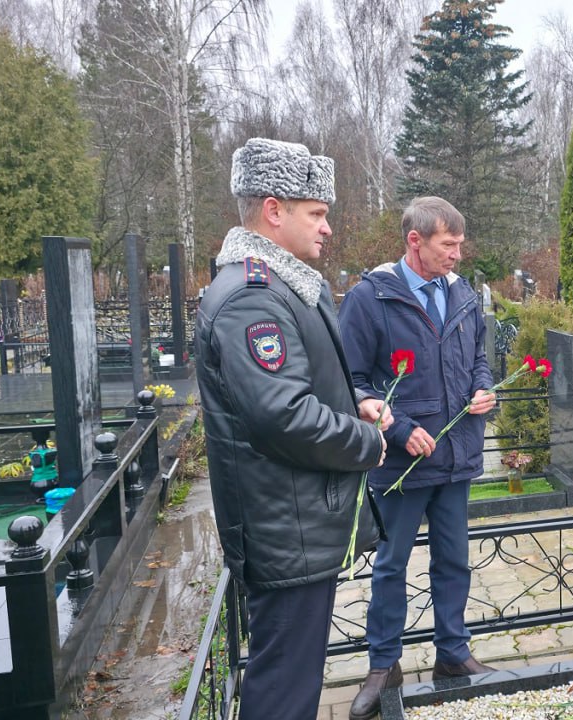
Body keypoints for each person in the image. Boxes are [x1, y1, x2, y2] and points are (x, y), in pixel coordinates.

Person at [195, 138, 391, 720]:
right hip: (287, 529)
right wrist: (367, 443)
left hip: (296, 522)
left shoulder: (281, 285)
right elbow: (281, 415)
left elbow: (297, 383)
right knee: (284, 691)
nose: (328, 227)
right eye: (318, 212)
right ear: (274, 210)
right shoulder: (253, 298)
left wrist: (355, 402)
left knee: (295, 678)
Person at [338, 196, 497, 720]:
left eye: (459, 245)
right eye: (447, 245)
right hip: (400, 463)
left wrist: (483, 389)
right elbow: (353, 383)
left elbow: (477, 358)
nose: (457, 254)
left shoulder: (463, 294)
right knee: (390, 568)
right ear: (416, 241)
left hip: (456, 457)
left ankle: (453, 652)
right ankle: (384, 665)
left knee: (453, 560)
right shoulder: (370, 298)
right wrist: (400, 428)